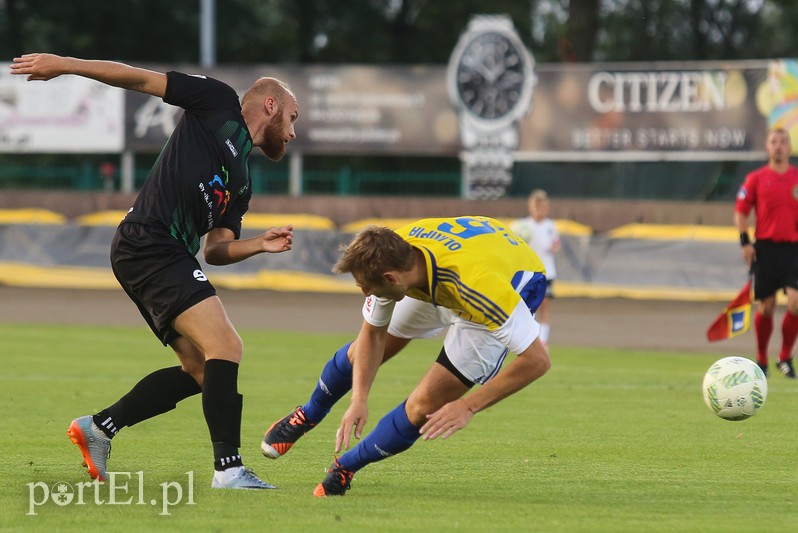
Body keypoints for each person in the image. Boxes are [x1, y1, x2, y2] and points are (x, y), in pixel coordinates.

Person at [10, 53, 299, 489]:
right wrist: (65, 64)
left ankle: (99, 427)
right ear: (271, 106)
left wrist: (258, 244)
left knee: (204, 368)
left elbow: (216, 250)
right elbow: (141, 80)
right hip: (149, 241)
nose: (294, 133)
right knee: (227, 346)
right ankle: (229, 470)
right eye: (293, 118)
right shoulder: (218, 101)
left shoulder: (241, 181)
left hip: (164, 252)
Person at [261, 216, 551, 496]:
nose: (364, 292)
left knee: (423, 405)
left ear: (390, 278)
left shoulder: (481, 288)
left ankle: (345, 467)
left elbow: (537, 361)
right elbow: (372, 336)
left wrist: (468, 406)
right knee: (360, 350)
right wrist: (358, 399)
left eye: (366, 287)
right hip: (452, 267)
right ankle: (308, 414)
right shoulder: (394, 252)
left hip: (503, 283)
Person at [734, 127, 798, 379]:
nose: (778, 146)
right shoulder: (756, 178)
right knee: (766, 307)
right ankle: (761, 360)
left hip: (795, 249)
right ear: (767, 147)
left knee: (796, 303)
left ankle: (784, 357)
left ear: (790, 147)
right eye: (773, 141)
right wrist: (744, 242)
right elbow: (741, 211)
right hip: (766, 248)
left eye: (783, 141)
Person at [510, 189, 560, 346]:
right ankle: (529, 340)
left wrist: (554, 247)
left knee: (545, 305)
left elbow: (555, 244)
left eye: (543, 207)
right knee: (527, 308)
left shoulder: (550, 226)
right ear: (531, 208)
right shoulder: (522, 226)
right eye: (537, 207)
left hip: (547, 272)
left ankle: (543, 341)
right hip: (529, 272)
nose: (540, 211)